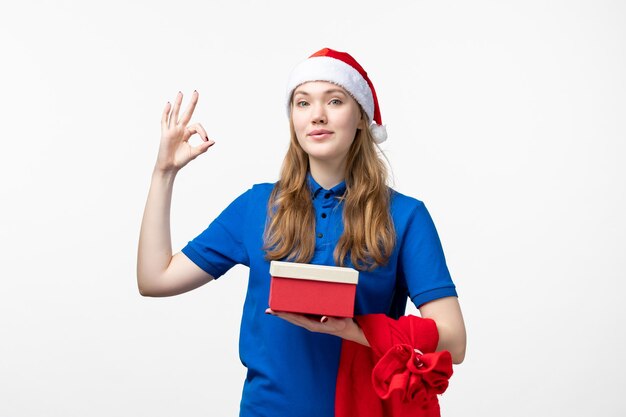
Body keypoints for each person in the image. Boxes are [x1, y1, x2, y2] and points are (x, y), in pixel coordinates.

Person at [137, 47, 466, 417]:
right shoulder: (257, 205)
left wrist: (353, 329)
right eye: (303, 103)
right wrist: (164, 173)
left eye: (335, 100)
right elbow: (155, 279)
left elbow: (453, 340)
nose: (317, 116)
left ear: (361, 117)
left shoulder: (405, 215)